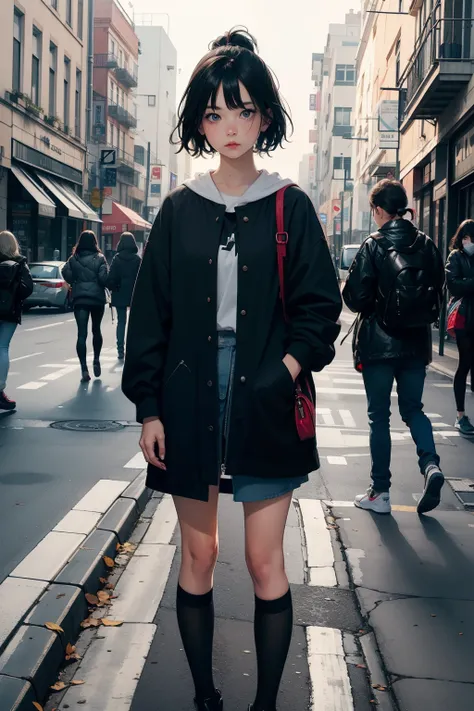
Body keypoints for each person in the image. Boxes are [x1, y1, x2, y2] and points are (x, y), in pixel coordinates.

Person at [122, 28, 342, 711]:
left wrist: (282, 371)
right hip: (188, 400)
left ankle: (266, 703)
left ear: (266, 117)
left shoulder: (290, 204)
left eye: (243, 110)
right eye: (215, 113)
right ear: (199, 122)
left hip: (265, 395)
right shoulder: (180, 209)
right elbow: (149, 317)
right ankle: (204, 697)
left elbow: (320, 308)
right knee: (197, 555)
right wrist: (150, 409)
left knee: (264, 561)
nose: (229, 126)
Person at [343, 179, 445, 516]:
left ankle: (380, 492)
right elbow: (438, 288)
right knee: (414, 409)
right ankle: (430, 464)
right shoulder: (427, 244)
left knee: (379, 418)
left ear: (377, 210)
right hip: (416, 343)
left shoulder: (374, 245)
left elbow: (355, 298)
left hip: (379, 345)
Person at [62, 230, 108, 382]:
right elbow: (103, 279)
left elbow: (66, 273)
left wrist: (75, 280)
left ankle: (83, 369)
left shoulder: (73, 259)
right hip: (96, 300)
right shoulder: (100, 258)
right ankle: (96, 359)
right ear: (95, 242)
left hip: (80, 299)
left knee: (81, 334)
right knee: (96, 330)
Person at [445, 219, 474, 434]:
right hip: (464, 316)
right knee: (464, 363)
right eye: (467, 238)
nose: (469, 242)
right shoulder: (455, 257)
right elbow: (453, 284)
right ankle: (460, 415)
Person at [0, 230, 33, 411]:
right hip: (10, 311)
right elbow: (28, 288)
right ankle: (0, 390)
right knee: (2, 347)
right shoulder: (20, 262)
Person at [106, 231, 141, 360]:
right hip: (134, 294)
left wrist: (113, 288)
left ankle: (120, 349)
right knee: (134, 322)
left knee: (121, 322)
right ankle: (133, 348)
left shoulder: (117, 258)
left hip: (119, 293)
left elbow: (111, 278)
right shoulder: (137, 259)